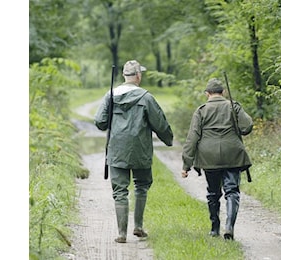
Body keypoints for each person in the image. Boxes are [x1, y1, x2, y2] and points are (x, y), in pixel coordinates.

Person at [94, 60, 174, 243]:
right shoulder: (146, 97)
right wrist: (168, 140)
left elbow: (100, 122)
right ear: (138, 76)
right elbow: (160, 123)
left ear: (124, 75)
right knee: (141, 185)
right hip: (140, 150)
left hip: (117, 150)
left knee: (120, 191)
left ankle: (122, 233)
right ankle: (138, 226)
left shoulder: (110, 95)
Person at [181, 78, 253, 240]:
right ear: (224, 92)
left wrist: (186, 165)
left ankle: (214, 229)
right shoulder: (233, 106)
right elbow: (247, 127)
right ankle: (229, 226)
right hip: (232, 154)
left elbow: (192, 138)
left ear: (207, 94)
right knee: (232, 191)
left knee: (213, 193)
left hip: (209, 157)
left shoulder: (201, 111)